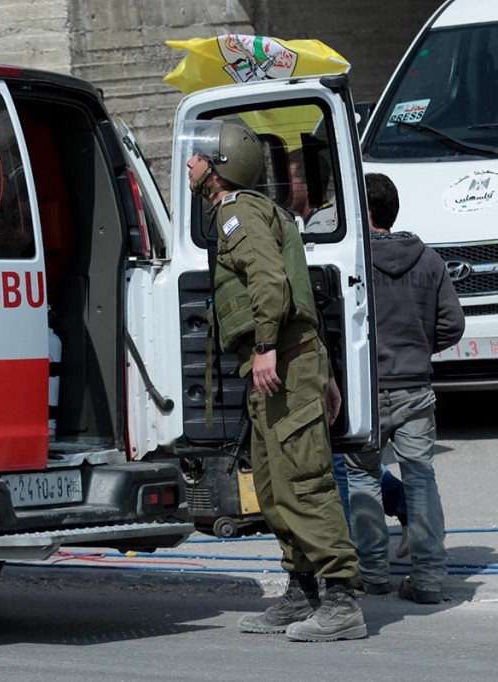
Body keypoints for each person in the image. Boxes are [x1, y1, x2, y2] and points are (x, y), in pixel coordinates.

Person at [185, 120, 366, 642]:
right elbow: (304, 295)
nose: (191, 163)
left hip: (282, 362)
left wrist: (265, 346)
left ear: (219, 169)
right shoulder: (251, 212)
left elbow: (271, 282)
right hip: (290, 363)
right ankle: (302, 589)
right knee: (272, 484)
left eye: (199, 157)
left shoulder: (237, 214)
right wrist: (324, 372)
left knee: (302, 479)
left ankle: (341, 599)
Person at [344, 173, 465, 603]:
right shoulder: (429, 259)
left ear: (365, 210)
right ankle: (429, 578)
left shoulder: (353, 260)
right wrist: (419, 346)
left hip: (367, 392)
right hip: (416, 387)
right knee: (421, 479)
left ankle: (372, 573)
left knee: (362, 479)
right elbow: (454, 323)